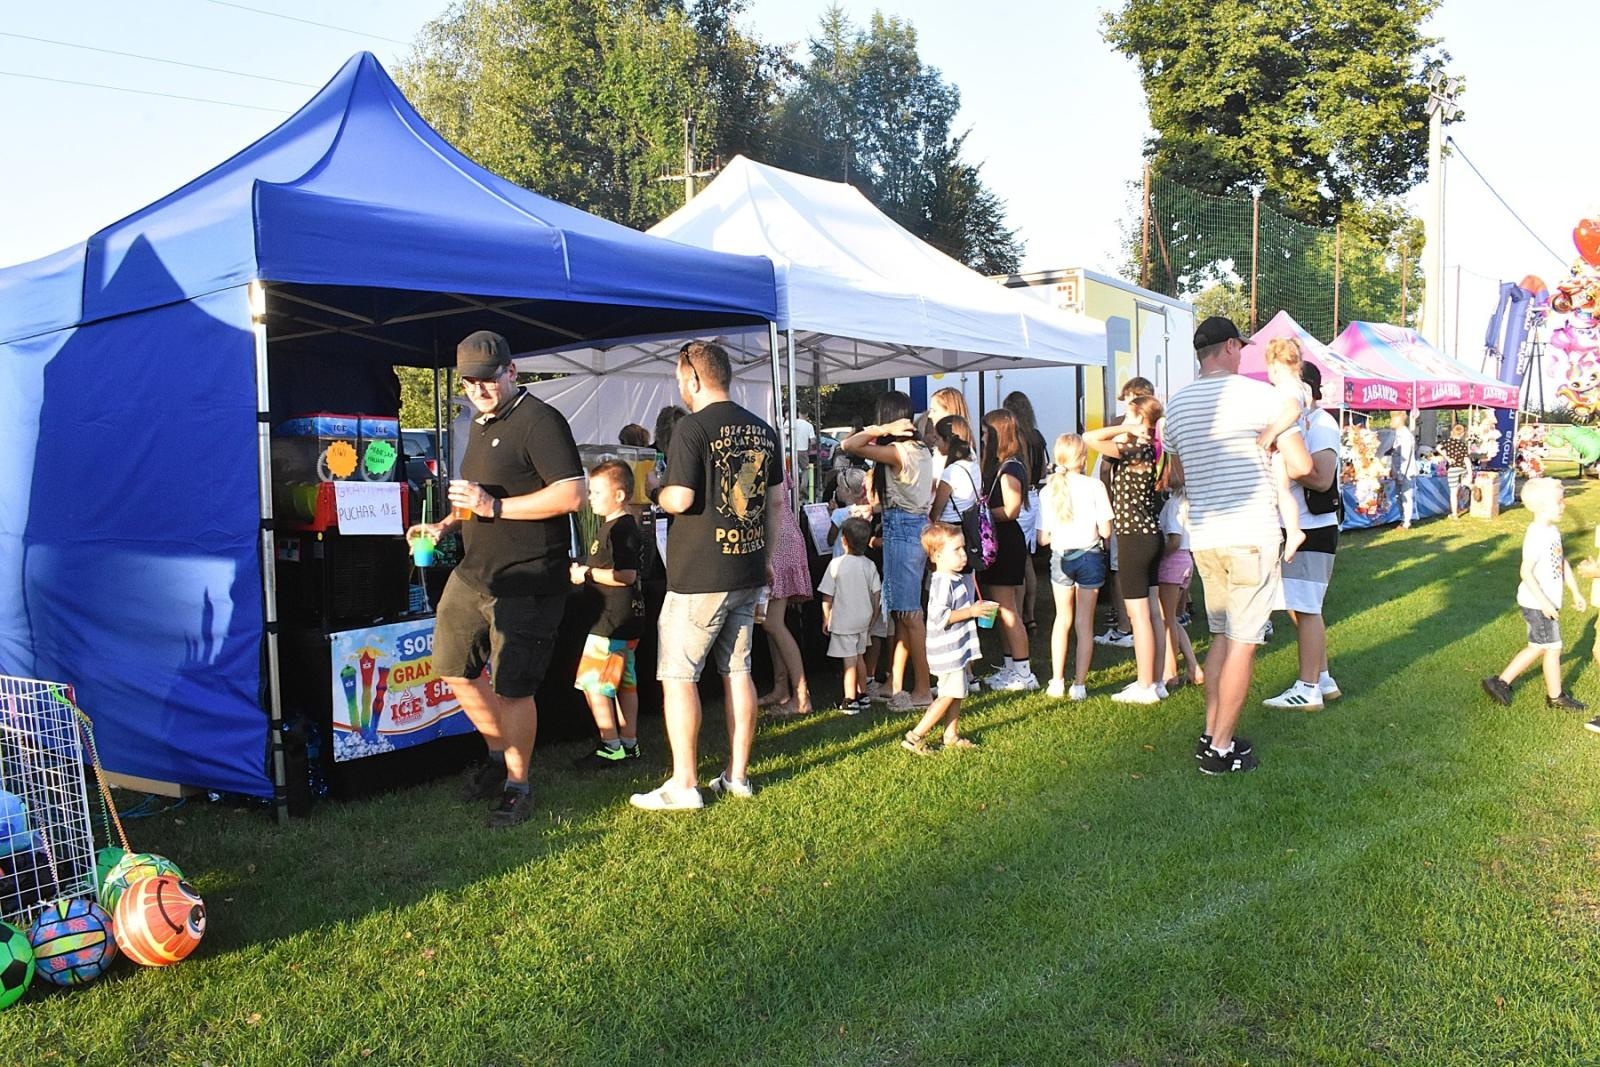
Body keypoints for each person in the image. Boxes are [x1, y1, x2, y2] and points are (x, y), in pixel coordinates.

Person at [405, 330, 584, 827]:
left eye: (489, 378)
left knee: (512, 688)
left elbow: (572, 495)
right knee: (451, 667)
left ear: (511, 372)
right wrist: (442, 524)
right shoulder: (477, 424)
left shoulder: (541, 422)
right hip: (474, 572)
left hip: (528, 578)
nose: (480, 389)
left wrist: (496, 506)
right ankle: (495, 754)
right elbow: (472, 500)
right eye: (470, 381)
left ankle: (518, 783)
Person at [630, 341, 784, 811]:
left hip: (699, 575)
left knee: (679, 675)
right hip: (747, 565)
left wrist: (654, 488)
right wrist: (767, 559)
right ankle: (737, 776)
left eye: (680, 380)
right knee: (738, 671)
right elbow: (776, 503)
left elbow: (679, 498)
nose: (681, 388)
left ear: (694, 379)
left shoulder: (692, 428)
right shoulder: (763, 430)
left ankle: (684, 783)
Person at [1162, 316, 1314, 775]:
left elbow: (1176, 476)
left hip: (1206, 537)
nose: (1244, 354)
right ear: (1229, 347)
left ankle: (1212, 731)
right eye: (1241, 347)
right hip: (1252, 533)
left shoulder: (1176, 405)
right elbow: (1302, 465)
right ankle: (1221, 749)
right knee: (1244, 643)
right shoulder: (1259, 398)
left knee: (1223, 637)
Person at [840, 393, 936, 710]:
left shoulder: (899, 451)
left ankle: (923, 688)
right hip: (912, 528)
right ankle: (895, 682)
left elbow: (849, 446)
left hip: (903, 534)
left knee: (910, 615)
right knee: (904, 614)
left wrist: (881, 427)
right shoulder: (919, 449)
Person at [1262, 363, 1344, 710]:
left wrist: (1289, 470)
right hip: (1302, 526)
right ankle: (1322, 677)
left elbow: (1322, 478)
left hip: (1313, 527)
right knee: (1300, 607)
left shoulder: (1321, 424)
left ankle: (1308, 686)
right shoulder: (1301, 424)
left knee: (1307, 608)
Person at [1084, 395, 1167, 703]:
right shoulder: (1152, 448)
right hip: (1151, 534)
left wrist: (1128, 429)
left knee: (1139, 615)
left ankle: (1146, 685)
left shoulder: (1133, 448)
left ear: (1136, 415)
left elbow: (1088, 438)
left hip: (1133, 537)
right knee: (1153, 614)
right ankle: (1155, 680)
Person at [1482, 477, 1588, 711]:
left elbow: (1561, 561)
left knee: (1542, 646)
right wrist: (1544, 603)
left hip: (1546, 602)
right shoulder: (1536, 535)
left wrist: (1576, 591)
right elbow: (1525, 572)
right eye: (1559, 502)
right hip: (1537, 602)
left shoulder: (1552, 531)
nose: (1564, 505)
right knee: (1550, 646)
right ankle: (1553, 695)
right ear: (1541, 507)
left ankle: (1504, 683)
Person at [570, 460, 647, 769]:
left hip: (612, 621)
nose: (590, 497)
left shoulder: (622, 528)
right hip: (624, 620)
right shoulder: (615, 525)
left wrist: (587, 573)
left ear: (618, 495)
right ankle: (629, 743)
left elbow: (626, 575)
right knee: (625, 682)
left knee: (593, 682)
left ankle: (610, 745)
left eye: (596, 491)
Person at [902, 523, 995, 754]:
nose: (963, 554)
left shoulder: (954, 578)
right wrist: (971, 612)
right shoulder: (943, 582)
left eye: (963, 548)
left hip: (957, 649)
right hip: (947, 651)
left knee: (957, 692)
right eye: (957, 550)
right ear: (937, 556)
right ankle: (915, 736)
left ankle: (950, 735)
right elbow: (940, 616)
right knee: (947, 695)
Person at [1037, 433, 1112, 700]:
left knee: (1062, 619)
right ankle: (1079, 684)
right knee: (1084, 622)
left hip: (1060, 556)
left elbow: (1042, 538)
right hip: (1090, 555)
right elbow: (1105, 530)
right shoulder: (1095, 487)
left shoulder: (1048, 491)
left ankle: (1056, 681)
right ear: (1083, 457)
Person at [977, 408, 1039, 692]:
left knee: (1008, 609)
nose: (982, 438)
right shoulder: (1002, 465)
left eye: (985, 433)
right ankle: (1010, 666)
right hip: (998, 542)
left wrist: (983, 513)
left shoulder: (1010, 467)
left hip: (1006, 542)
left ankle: (1024, 671)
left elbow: (1012, 509)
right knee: (1000, 609)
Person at [1095, 377, 1155, 648]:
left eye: (1129, 401)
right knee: (1154, 604)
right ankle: (1168, 670)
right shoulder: (1154, 441)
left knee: (1126, 581)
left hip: (1130, 523)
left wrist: (1123, 427)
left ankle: (1124, 627)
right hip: (1150, 521)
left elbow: (1092, 442)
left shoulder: (1133, 444)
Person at [757, 474, 815, 718]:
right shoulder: (775, 461)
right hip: (783, 540)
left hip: (777, 544)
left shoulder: (763, 463)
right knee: (771, 623)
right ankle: (781, 688)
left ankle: (801, 695)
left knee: (773, 623)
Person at [1252, 338, 1310, 563]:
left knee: (1281, 490)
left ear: (1275, 365)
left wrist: (1271, 431)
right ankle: (1292, 531)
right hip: (1294, 442)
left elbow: (1292, 410)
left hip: (1286, 445)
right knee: (1281, 490)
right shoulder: (1302, 387)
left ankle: (1294, 531)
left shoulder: (1286, 387)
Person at [819, 517, 881, 714]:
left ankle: (850, 698)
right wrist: (873, 616)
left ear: (843, 540)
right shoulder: (869, 565)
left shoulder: (836, 565)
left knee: (849, 661)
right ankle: (863, 694)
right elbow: (876, 595)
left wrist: (826, 616)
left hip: (844, 620)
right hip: (864, 619)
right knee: (860, 657)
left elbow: (827, 595)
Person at [1003, 391, 1049, 641]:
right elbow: (1041, 470)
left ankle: (1019, 615)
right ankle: (1030, 615)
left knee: (1017, 562)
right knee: (1027, 560)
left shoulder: (1016, 438)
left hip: (1019, 498)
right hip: (1034, 498)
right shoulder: (1037, 436)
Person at [1156, 489, 1203, 692]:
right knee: (1172, 618)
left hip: (1172, 561)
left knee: (1166, 620)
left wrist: (1158, 557)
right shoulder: (1189, 501)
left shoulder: (1174, 504)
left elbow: (1174, 539)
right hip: (1186, 560)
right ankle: (1193, 667)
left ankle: (1170, 672)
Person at [928, 414, 982, 567]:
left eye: (937, 438)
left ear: (948, 440)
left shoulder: (951, 472)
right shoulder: (973, 464)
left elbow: (936, 510)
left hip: (950, 528)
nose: (935, 443)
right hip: (969, 525)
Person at [1382, 410, 1417, 529]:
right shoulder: (1396, 434)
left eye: (1393, 418)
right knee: (1399, 496)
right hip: (1399, 471)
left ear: (1400, 419)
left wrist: (1402, 474)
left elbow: (1405, 456)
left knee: (1406, 496)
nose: (1391, 421)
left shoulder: (1405, 435)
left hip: (1406, 472)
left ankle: (1407, 521)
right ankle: (1403, 520)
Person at [1441, 421, 1472, 519]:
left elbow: (1438, 448)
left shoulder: (1447, 442)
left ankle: (1454, 514)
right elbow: (1466, 459)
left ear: (1452, 432)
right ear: (1463, 434)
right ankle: (1471, 486)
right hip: (1462, 468)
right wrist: (1470, 472)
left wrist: (1447, 458)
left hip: (1452, 469)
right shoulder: (1463, 445)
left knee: (1453, 492)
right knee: (1463, 485)